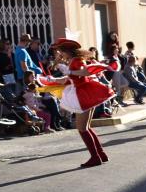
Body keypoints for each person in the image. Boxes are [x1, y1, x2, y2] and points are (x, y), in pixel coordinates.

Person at [47, 39, 115, 167]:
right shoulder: (73, 61)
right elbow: (69, 79)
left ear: (66, 51)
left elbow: (86, 72)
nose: (59, 54)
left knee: (82, 128)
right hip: (84, 93)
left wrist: (70, 72)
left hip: (84, 95)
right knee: (86, 128)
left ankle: (95, 157)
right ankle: (101, 154)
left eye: (60, 51)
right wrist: (52, 80)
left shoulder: (77, 61)